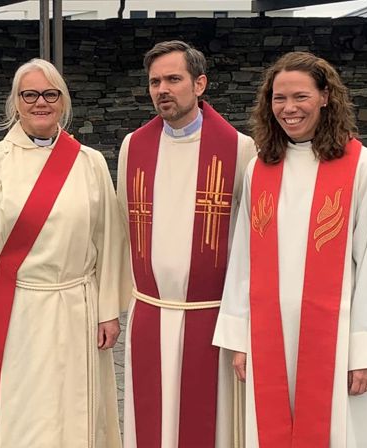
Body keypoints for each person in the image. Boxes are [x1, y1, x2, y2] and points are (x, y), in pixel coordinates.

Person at [213, 51, 367, 446]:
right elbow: (243, 260)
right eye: (279, 98)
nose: (289, 108)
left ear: (325, 97)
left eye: (300, 96)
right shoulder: (259, 168)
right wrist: (240, 340)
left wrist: (366, 353)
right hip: (269, 337)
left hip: (336, 340)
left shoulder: (361, 165)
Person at [0, 58, 124, 448]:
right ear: (16, 103)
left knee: (74, 412)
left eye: (50, 94)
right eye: (29, 95)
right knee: (23, 412)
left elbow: (110, 241)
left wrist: (109, 311)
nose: (40, 103)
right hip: (15, 311)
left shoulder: (90, 163)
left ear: (63, 102)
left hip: (77, 307)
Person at [117, 40, 256, 447]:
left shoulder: (239, 149)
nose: (163, 89)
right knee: (151, 422)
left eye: (174, 79)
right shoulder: (133, 146)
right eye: (155, 82)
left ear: (199, 84)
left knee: (208, 425)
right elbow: (125, 226)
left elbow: (248, 240)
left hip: (209, 316)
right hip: (150, 311)